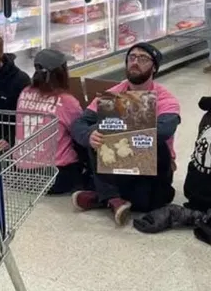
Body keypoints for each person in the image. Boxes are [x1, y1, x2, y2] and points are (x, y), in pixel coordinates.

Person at [71, 43, 180, 226]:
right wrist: (90, 135)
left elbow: (164, 130)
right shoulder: (112, 94)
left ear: (154, 67)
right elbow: (79, 123)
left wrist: (116, 128)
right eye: (132, 57)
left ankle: (104, 196)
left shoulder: (166, 99)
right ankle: (114, 199)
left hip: (152, 169)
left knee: (152, 142)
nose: (135, 62)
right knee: (94, 134)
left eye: (143, 58)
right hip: (118, 165)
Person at [16, 49, 85, 194]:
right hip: (55, 176)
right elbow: (80, 134)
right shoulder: (67, 101)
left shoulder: (24, 92)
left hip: (22, 173)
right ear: (62, 73)